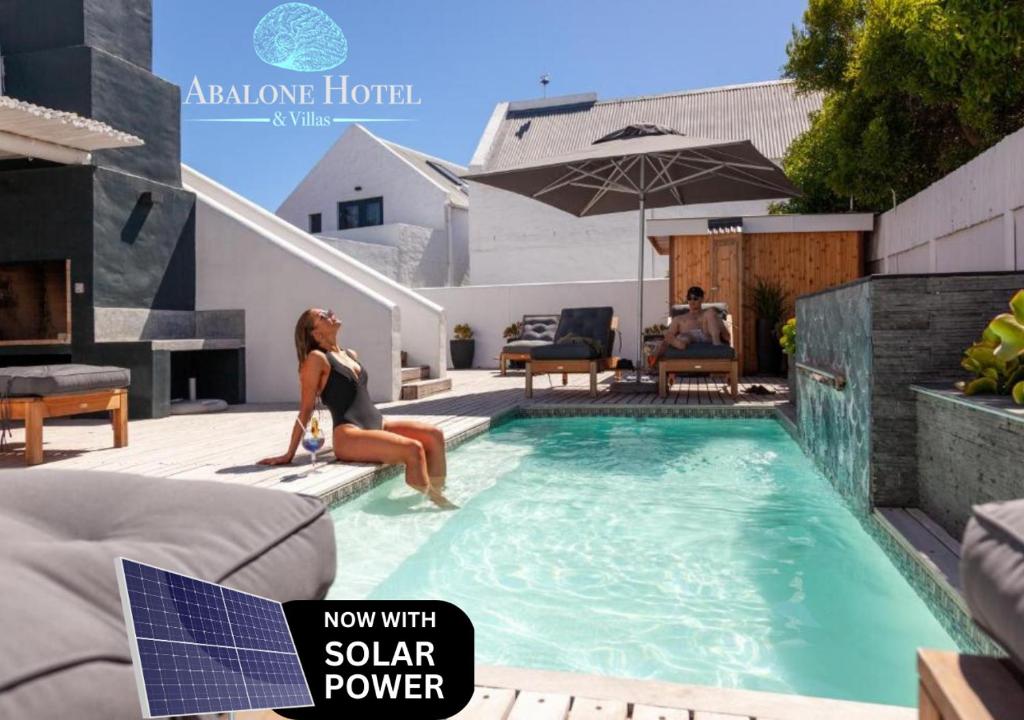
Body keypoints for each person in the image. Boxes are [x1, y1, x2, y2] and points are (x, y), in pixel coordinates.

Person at [259, 308, 455, 508]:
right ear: (316, 334)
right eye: (322, 316)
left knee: (435, 435)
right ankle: (438, 502)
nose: (330, 314)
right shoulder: (316, 359)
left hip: (377, 423)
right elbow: (306, 408)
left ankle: (439, 491)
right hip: (349, 433)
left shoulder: (350, 354)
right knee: (413, 449)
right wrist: (289, 454)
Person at [647, 286, 730, 367]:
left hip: (707, 335)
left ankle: (717, 345)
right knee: (684, 336)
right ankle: (678, 343)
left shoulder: (709, 315)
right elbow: (668, 338)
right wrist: (656, 354)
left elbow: (727, 337)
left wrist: (719, 323)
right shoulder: (679, 319)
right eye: (689, 298)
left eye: (695, 298)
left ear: (702, 299)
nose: (692, 301)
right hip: (689, 337)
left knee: (711, 312)